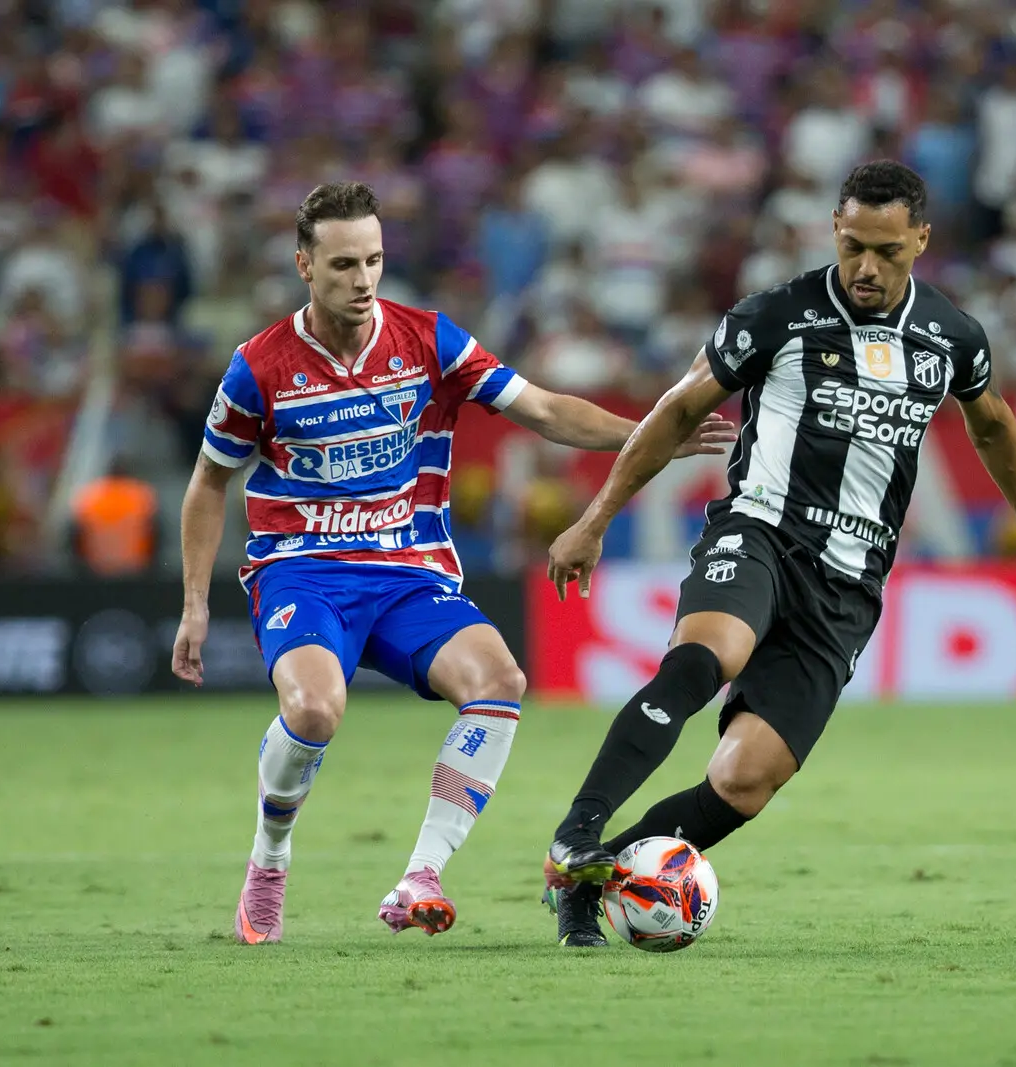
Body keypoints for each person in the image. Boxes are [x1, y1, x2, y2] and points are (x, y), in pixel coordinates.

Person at [169, 182, 734, 944]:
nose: (363, 279)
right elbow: (209, 481)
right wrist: (196, 604)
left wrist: (650, 433)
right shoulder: (258, 367)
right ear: (304, 265)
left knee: (501, 680)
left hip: (408, 572)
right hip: (302, 571)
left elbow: (542, 408)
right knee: (312, 710)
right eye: (342, 264)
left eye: (372, 259)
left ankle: (421, 874)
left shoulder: (428, 339)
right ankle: (269, 860)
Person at [541, 161, 1016, 947]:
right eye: (854, 244)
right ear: (834, 227)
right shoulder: (775, 317)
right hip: (760, 530)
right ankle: (576, 830)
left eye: (888, 252)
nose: (866, 266)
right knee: (707, 654)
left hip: (850, 581)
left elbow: (991, 425)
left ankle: (590, 881)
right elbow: (676, 408)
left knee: (744, 779)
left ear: (921, 241)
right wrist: (593, 520)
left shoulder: (951, 337)